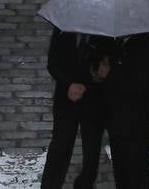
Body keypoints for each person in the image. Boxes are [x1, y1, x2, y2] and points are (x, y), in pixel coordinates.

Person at [40, 29, 109, 189]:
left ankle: (84, 184)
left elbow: (106, 63)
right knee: (60, 148)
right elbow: (53, 64)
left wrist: (103, 70)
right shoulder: (63, 30)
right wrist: (69, 84)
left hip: (94, 101)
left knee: (91, 153)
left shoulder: (104, 32)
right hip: (66, 99)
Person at [103, 33, 149, 189]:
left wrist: (110, 74)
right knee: (121, 169)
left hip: (134, 122)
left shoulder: (146, 45)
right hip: (117, 119)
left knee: (136, 169)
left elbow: (139, 85)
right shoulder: (119, 41)